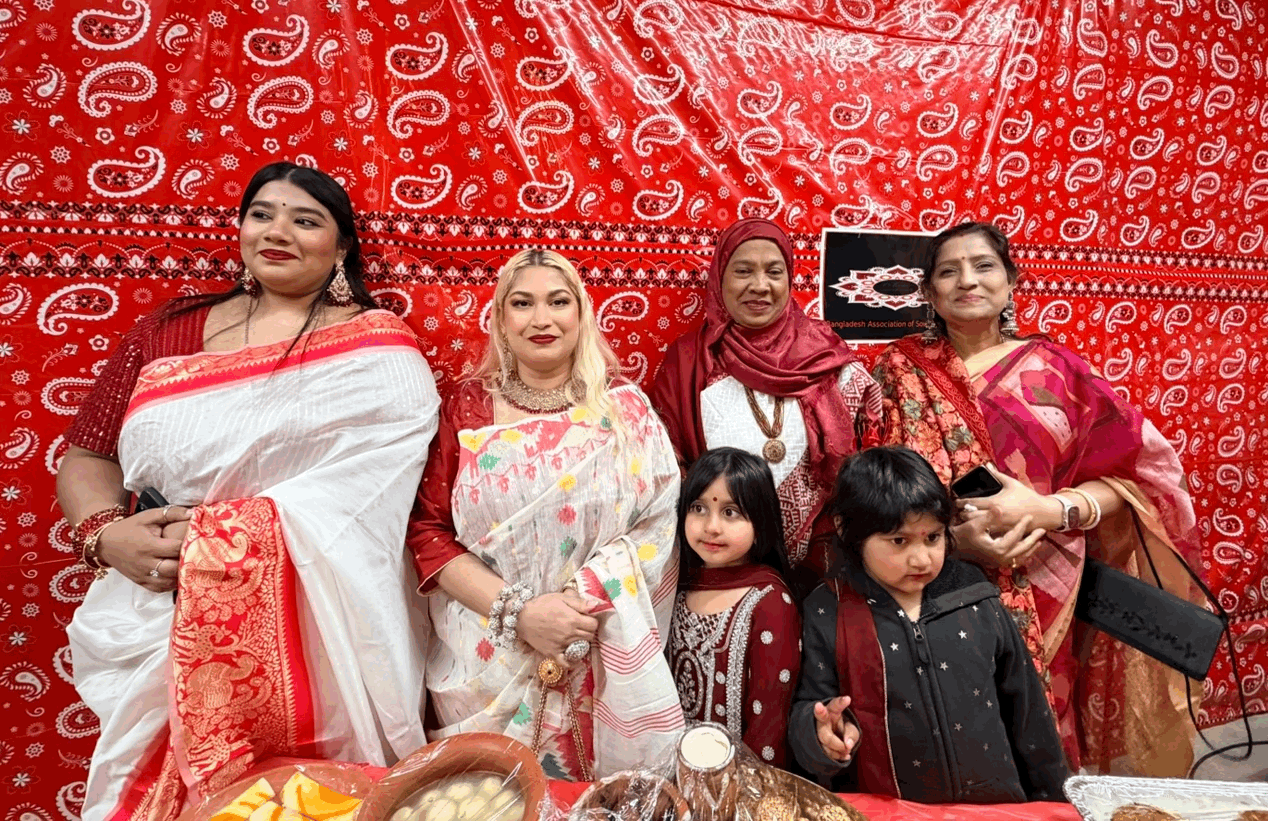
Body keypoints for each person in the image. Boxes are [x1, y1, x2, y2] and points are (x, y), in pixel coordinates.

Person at [58, 162, 441, 820]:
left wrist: (224, 544)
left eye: (306, 219)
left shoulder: (379, 349)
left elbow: (372, 504)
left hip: (330, 632)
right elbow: (88, 452)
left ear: (343, 246)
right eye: (262, 213)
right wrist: (103, 534)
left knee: (323, 800)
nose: (278, 231)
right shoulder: (168, 332)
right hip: (160, 609)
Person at [871, 221, 1202, 776]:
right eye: (947, 271)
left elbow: (1142, 476)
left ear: (1010, 281)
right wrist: (953, 543)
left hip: (1047, 583)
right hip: (925, 585)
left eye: (983, 266)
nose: (966, 280)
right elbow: (868, 491)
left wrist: (1047, 510)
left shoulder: (1062, 371)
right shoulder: (892, 372)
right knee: (944, 743)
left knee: (1039, 736)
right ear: (928, 293)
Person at [407, 249, 683, 781]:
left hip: (598, 643)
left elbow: (658, 522)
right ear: (501, 321)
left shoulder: (624, 408)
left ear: (581, 315)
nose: (541, 319)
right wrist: (523, 613)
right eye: (522, 303)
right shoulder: (467, 406)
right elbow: (428, 532)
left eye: (559, 302)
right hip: (488, 654)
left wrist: (579, 606)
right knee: (489, 802)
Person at [789, 446, 1068, 803]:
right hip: (889, 811)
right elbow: (811, 710)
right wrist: (820, 736)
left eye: (933, 538)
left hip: (997, 809)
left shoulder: (976, 594)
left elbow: (1030, 716)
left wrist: (1054, 803)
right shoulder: (828, 611)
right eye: (899, 541)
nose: (921, 558)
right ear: (848, 532)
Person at [651, 218, 883, 596]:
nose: (760, 286)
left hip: (824, 573)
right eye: (743, 271)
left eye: (774, 272)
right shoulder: (690, 363)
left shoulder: (826, 358)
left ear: (789, 280)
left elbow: (866, 457)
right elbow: (666, 465)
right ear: (718, 279)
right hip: (720, 570)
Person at [667, 447, 800, 768]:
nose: (711, 527)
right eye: (698, 508)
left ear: (761, 522)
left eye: (730, 512)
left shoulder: (769, 599)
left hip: (739, 785)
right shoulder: (674, 586)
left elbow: (769, 720)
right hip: (671, 771)